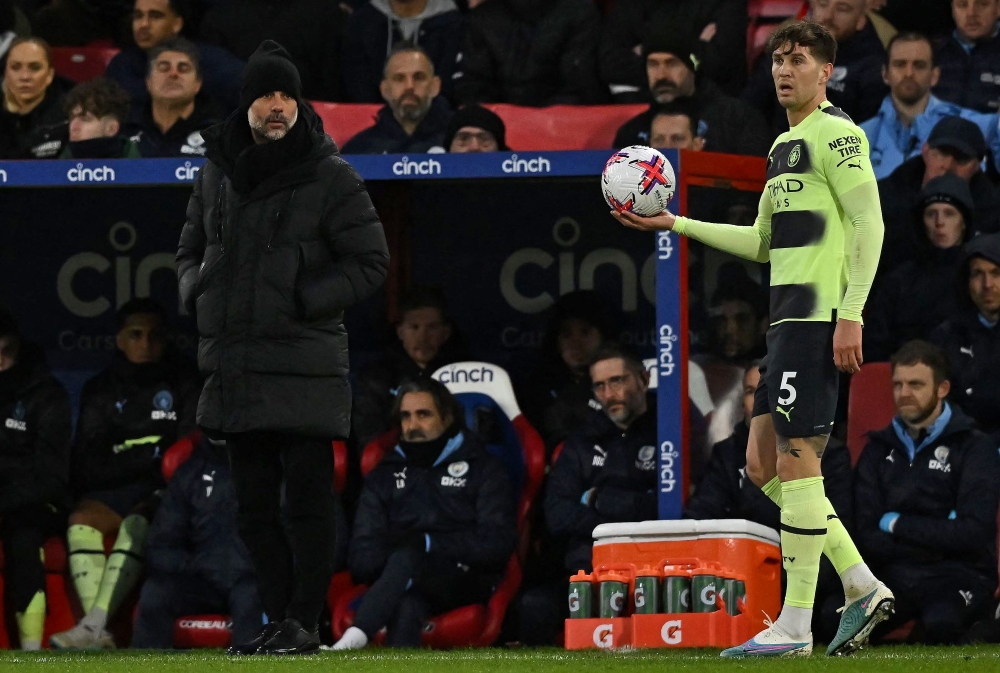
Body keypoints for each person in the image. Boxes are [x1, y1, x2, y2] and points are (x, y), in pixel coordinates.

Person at [613, 21, 893, 657]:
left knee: (797, 458)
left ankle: (795, 626)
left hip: (816, 317)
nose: (783, 70)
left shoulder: (837, 135)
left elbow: (868, 223)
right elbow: (764, 243)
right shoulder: (782, 147)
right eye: (777, 61)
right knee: (761, 463)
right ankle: (860, 582)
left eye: (798, 60)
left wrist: (851, 311)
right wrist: (674, 222)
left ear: (826, 72)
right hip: (785, 318)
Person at [176, 40, 389, 655]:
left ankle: (305, 621)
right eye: (266, 95)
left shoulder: (329, 173)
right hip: (236, 363)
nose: (277, 106)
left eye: (286, 95)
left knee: (308, 502)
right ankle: (277, 620)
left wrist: (301, 297)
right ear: (245, 104)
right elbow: (189, 247)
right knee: (252, 510)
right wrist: (198, 292)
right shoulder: (216, 169)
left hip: (303, 363)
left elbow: (371, 262)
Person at [50, 299, 200, 650]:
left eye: (154, 336)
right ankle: (95, 631)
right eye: (135, 335)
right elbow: (88, 460)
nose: (145, 344)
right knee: (81, 519)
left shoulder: (185, 383)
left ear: (166, 341)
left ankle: (93, 625)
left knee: (137, 522)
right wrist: (148, 455)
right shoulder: (99, 388)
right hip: (116, 486)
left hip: (162, 490)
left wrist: (134, 456)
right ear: (119, 340)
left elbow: (185, 451)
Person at [332, 379, 516, 649]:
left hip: (464, 579)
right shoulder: (383, 475)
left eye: (423, 414)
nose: (413, 425)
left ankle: (352, 641)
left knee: (412, 553)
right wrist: (402, 554)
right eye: (406, 416)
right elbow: (361, 558)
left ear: (447, 416)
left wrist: (430, 544)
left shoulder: (485, 469)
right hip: (399, 583)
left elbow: (497, 545)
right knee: (408, 602)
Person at [684, 361, 853, 642]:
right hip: (740, 577)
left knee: (828, 617)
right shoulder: (728, 453)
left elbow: (837, 536)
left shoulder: (828, 455)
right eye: (752, 392)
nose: (762, 402)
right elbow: (701, 516)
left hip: (806, 581)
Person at [854, 340, 1000, 644]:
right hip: (895, 575)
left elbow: (974, 532)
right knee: (833, 619)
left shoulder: (974, 447)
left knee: (942, 624)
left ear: (942, 388)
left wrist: (896, 523)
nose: (904, 393)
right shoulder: (877, 448)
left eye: (916, 384)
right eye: (898, 384)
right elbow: (865, 532)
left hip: (960, 573)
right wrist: (939, 532)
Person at [517, 345, 658, 646]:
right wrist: (630, 511)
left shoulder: (670, 431)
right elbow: (557, 514)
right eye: (600, 386)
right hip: (587, 570)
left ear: (643, 380)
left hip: (654, 572)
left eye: (618, 381)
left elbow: (670, 507)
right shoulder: (581, 443)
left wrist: (597, 499)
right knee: (534, 606)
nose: (609, 394)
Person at [131, 436, 263, 649]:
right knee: (155, 593)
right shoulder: (189, 473)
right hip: (202, 578)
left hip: (256, 580)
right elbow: (159, 547)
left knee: (252, 596)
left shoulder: (280, 468)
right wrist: (198, 565)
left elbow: (314, 541)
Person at [0, 309, 71, 651]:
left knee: (23, 535)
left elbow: (52, 477)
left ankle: (30, 649)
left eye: (6, 350)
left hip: (33, 500)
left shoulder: (46, 394)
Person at [862, 32, 1000, 179]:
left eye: (919, 65)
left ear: (935, 76)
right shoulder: (862, 135)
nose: (909, 73)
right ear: (885, 74)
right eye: (900, 64)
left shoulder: (969, 125)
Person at [351, 285, 468, 457]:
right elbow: (371, 444)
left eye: (432, 327)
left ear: (446, 333)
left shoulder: (467, 374)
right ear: (400, 332)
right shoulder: (375, 378)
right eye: (414, 327)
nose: (423, 337)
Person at [865, 174, 971, 361]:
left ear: (964, 222)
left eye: (949, 213)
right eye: (931, 214)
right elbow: (874, 346)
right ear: (921, 222)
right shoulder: (898, 280)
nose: (939, 223)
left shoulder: (981, 275)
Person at [743, 0, 887, 135]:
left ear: (861, 20)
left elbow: (867, 136)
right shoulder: (787, 45)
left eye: (842, 9)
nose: (829, 16)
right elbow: (749, 109)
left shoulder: (874, 65)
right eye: (823, 4)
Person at [877, 116, 1000, 274]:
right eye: (941, 153)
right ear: (925, 151)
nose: (948, 166)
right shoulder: (883, 197)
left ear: (978, 166)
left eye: (961, 159)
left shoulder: (992, 216)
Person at [614, 34, 771, 156]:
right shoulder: (631, 133)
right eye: (653, 64)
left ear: (692, 68)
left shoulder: (738, 120)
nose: (661, 75)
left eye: (672, 63)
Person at [454, 0, 605, 107]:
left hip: (562, 122)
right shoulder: (483, 17)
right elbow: (474, 82)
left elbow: (579, 82)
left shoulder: (580, 11)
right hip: (498, 123)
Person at [519, 290, 616, 452]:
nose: (576, 344)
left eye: (585, 332)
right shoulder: (537, 388)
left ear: (603, 335)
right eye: (566, 334)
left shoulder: (621, 384)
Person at [105, 0, 244, 111]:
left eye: (155, 16)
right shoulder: (121, 66)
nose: (144, 24)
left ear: (177, 24)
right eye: (138, 16)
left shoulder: (215, 63)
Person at [599, 0, 750, 102]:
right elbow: (611, 65)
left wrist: (645, 51)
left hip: (706, 103)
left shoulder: (724, 3)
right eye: (653, 63)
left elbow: (717, 64)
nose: (662, 72)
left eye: (670, 63)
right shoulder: (632, 4)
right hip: (642, 102)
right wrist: (696, 48)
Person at [199, 0, 349, 102]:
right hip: (238, 117)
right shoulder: (220, 16)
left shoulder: (324, 11)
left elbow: (332, 81)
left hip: (311, 118)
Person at [931, 232, 1000, 439]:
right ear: (966, 281)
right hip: (960, 444)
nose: (987, 284)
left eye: (996, 273)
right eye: (978, 274)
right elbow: (937, 403)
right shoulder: (946, 336)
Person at [341, 0, 461, 104]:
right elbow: (358, 90)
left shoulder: (455, 26)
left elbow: (449, 91)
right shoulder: (360, 24)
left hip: (439, 124)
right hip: (371, 121)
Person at [123, 38, 227, 157]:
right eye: (164, 68)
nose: (173, 74)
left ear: (198, 84)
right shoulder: (125, 131)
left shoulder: (218, 135)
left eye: (183, 69)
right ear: (148, 82)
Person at [341, 44, 451, 155]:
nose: (409, 86)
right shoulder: (359, 150)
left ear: (435, 86)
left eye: (418, 77)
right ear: (384, 90)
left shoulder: (459, 142)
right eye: (399, 78)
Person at [0, 37, 68, 159]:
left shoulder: (69, 116)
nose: (25, 77)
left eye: (35, 68)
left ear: (49, 75)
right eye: (15, 67)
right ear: (6, 73)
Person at [934, 0, 1000, 113]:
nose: (971, 13)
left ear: (998, 8)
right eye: (962, 5)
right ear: (953, 10)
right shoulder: (931, 52)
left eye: (982, 4)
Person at [60, 77, 142, 159]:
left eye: (85, 119)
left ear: (112, 128)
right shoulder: (58, 167)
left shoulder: (141, 169)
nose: (73, 127)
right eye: (71, 119)